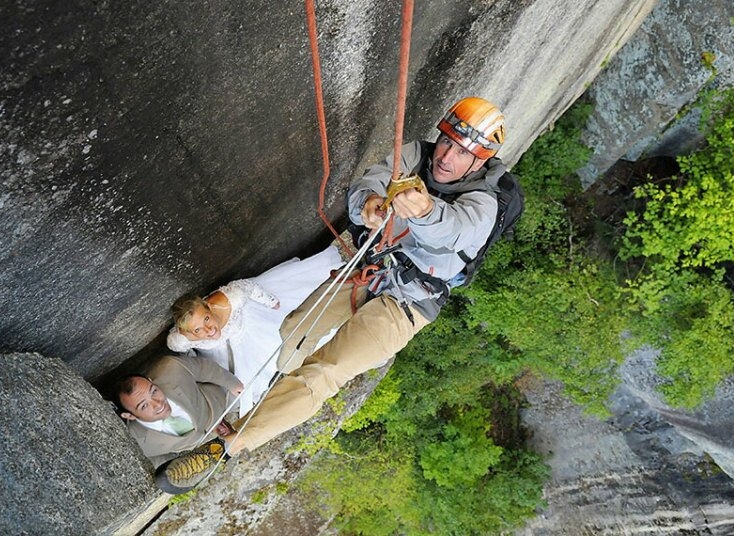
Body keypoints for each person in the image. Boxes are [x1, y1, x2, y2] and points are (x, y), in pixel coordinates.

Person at [226, 96, 510, 454]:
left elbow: (454, 231)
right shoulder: (417, 154)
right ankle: (279, 390)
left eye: (461, 153)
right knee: (294, 331)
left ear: (479, 161)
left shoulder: (484, 202)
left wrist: (424, 210)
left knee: (325, 372)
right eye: (447, 142)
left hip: (411, 301)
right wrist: (367, 205)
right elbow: (371, 180)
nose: (446, 158)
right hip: (370, 268)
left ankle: (234, 442)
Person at [166, 246, 343, 417]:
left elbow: (249, 288)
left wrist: (272, 302)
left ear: (209, 307)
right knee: (242, 381)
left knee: (285, 337)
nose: (209, 329)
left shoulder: (228, 300)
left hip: (252, 328)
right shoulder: (182, 339)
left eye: (206, 318)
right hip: (228, 353)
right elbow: (178, 347)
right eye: (198, 330)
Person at [114, 355, 243, 468]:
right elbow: (151, 462)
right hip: (201, 448)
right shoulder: (137, 443)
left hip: (221, 404)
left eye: (154, 391)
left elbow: (203, 368)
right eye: (144, 406)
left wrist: (231, 383)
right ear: (129, 416)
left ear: (151, 381)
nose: (158, 404)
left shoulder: (171, 368)